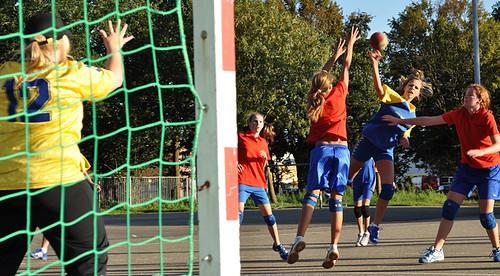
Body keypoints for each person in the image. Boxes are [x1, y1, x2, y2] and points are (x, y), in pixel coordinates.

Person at [0, 13, 133, 275]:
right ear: (63, 43)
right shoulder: (72, 73)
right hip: (60, 182)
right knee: (88, 263)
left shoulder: (3, 73)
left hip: (7, 185)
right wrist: (115, 50)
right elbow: (114, 79)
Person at [383, 84, 500, 263]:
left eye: (470, 95)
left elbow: (498, 144)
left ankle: (497, 249)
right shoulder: (459, 114)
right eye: (465, 94)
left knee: (486, 216)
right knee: (450, 207)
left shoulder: (486, 117)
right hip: (467, 168)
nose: (466, 98)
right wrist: (401, 121)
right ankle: (437, 250)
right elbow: (429, 120)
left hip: (489, 170)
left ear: (480, 100)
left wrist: (482, 152)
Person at [287, 27, 360, 269]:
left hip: (321, 150)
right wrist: (348, 47)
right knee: (336, 199)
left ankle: (299, 237)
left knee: (312, 195)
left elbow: (320, 78)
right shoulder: (339, 93)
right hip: (341, 151)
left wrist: (332, 57)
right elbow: (347, 67)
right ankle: (334, 246)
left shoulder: (313, 101)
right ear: (331, 86)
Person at [348, 49, 432, 245]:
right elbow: (378, 87)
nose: (412, 88)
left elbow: (405, 134)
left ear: (419, 94)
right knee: (346, 178)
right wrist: (375, 64)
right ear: (404, 86)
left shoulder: (412, 112)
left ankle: (374, 226)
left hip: (385, 149)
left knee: (387, 190)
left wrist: (405, 140)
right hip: (369, 141)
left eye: (416, 87)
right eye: (411, 84)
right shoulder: (393, 97)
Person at [30, 155, 101, 261]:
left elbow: (82, 170)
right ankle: (44, 250)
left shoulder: (73, 152)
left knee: (57, 221)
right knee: (50, 220)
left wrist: (90, 183)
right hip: (50, 188)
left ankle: (81, 252)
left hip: (69, 191)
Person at [238, 112, 288, 261]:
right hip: (243, 180)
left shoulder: (263, 142)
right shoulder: (241, 137)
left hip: (259, 183)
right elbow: (227, 151)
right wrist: (233, 162)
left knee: (270, 217)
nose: (258, 124)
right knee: (238, 215)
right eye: (255, 121)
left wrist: (264, 158)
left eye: (260, 122)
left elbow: (265, 163)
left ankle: (278, 245)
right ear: (249, 123)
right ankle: (231, 245)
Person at [352, 158, 377, 247]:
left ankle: (367, 232)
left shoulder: (372, 147)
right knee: (357, 210)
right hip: (357, 180)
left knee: (365, 208)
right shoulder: (353, 151)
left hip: (369, 179)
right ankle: (361, 233)